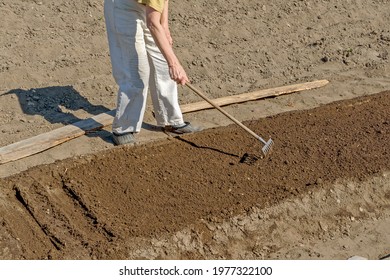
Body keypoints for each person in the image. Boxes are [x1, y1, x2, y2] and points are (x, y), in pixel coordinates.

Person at [104, 0, 200, 145]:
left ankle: (171, 120)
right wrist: (174, 64)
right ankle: (123, 128)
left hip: (145, 7)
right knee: (136, 72)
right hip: (122, 7)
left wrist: (165, 26)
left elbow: (162, 2)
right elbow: (153, 23)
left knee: (161, 64)